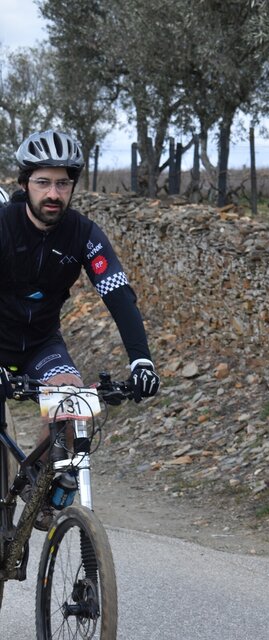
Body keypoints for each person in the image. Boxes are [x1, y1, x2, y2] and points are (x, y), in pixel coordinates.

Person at [0, 129, 160, 528]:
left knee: (73, 402)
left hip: (41, 345)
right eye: (43, 182)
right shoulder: (3, 224)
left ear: (72, 186)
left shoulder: (83, 234)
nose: (53, 193)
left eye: (62, 183)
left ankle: (42, 488)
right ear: (25, 183)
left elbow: (118, 293)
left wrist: (141, 360)